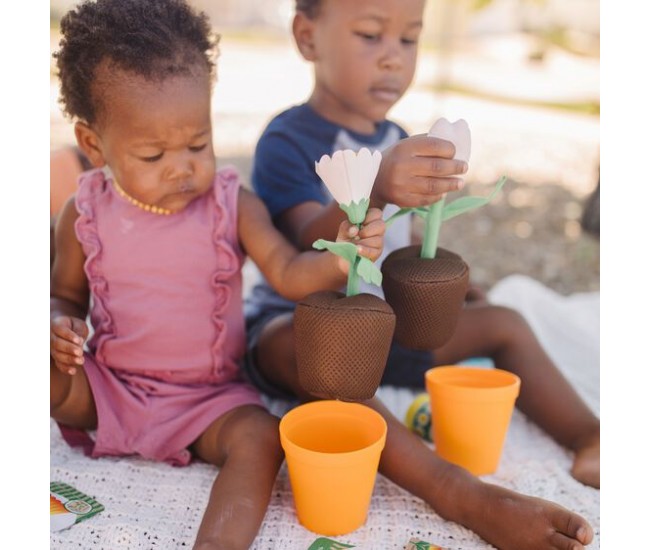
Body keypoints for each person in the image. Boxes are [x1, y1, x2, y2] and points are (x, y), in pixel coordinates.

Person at [243, 0, 598, 548]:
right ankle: (462, 494)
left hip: (390, 323)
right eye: (369, 34)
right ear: (306, 37)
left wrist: (450, 286)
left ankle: (590, 435)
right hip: (300, 326)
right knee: (314, 362)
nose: (393, 58)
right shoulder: (286, 140)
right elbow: (299, 242)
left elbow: (416, 236)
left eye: (409, 39)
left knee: (504, 320)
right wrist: (377, 185)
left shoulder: (400, 135)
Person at [49, 1, 386, 548]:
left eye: (198, 144)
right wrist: (58, 327)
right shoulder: (83, 213)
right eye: (153, 155)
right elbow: (63, 295)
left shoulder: (232, 203)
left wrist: (339, 254)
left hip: (208, 402)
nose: (183, 167)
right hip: (109, 388)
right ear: (94, 145)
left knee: (260, 438)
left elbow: (288, 271)